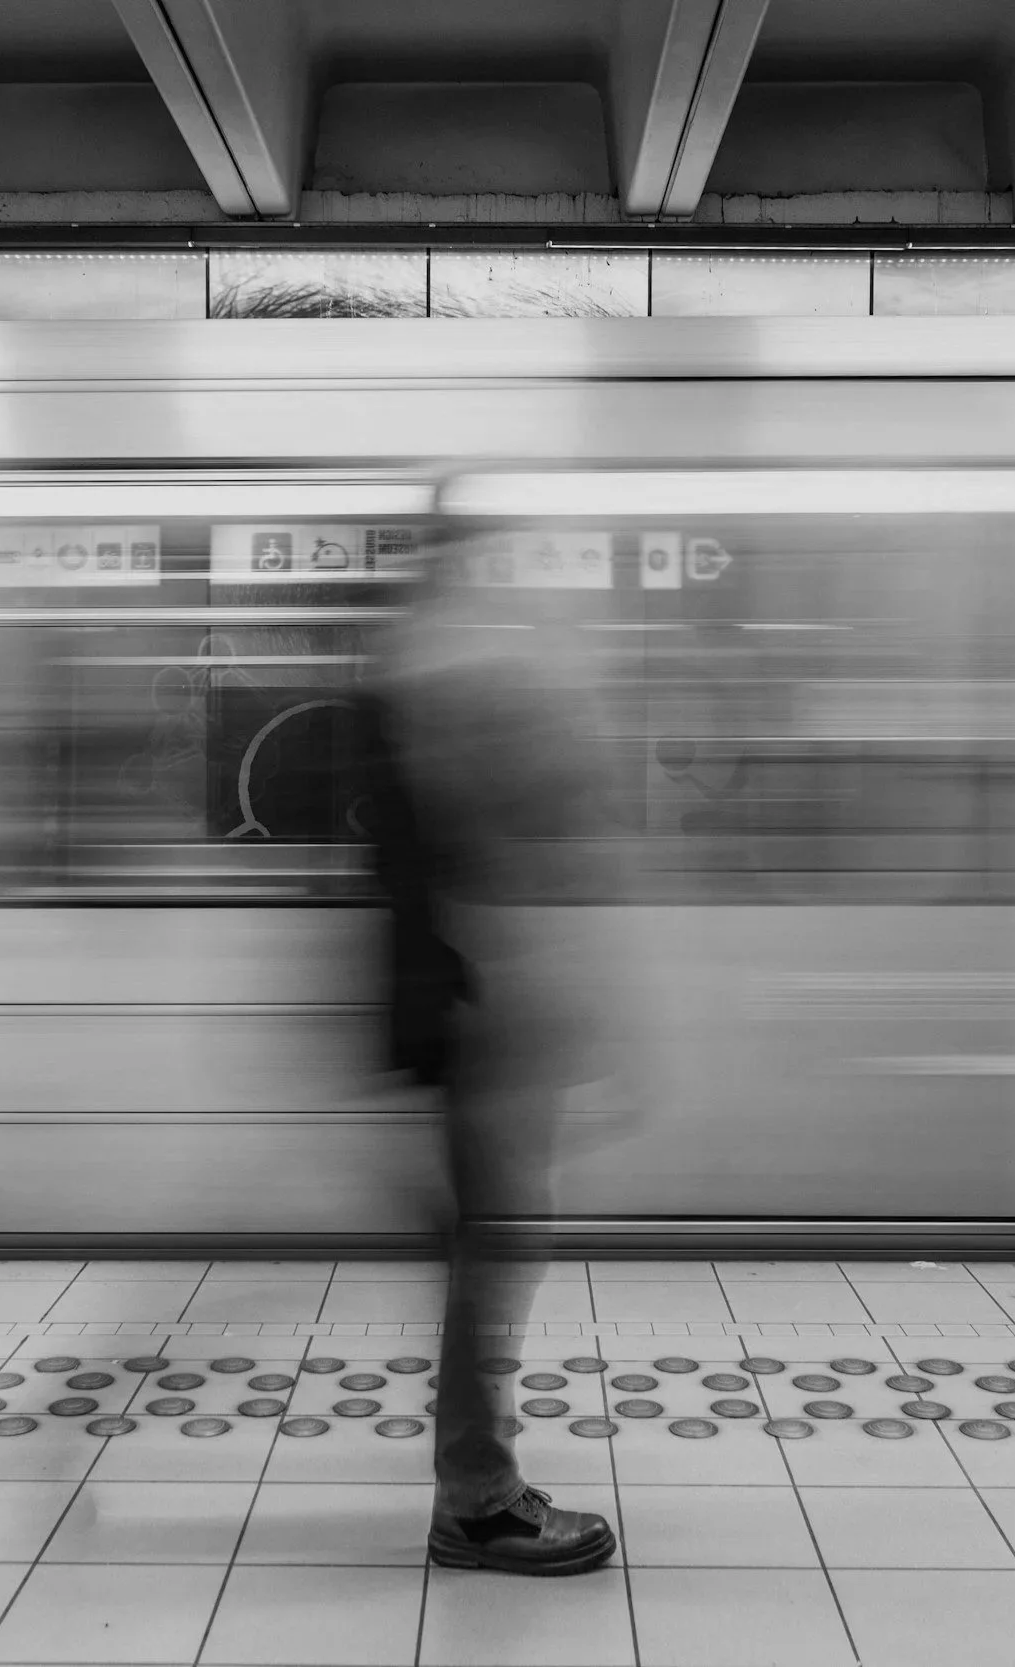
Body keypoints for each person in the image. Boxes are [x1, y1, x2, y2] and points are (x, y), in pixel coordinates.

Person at [357, 534, 624, 1576]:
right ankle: (474, 1501)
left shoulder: (422, 669)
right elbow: (483, 862)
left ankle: (476, 1486)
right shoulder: (441, 675)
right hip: (473, 1021)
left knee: (485, 1248)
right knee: (490, 1249)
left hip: (468, 1015)